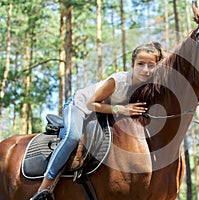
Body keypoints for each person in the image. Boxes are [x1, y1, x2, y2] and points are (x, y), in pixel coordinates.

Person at [30, 42, 166, 199]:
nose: (145, 70)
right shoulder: (118, 81)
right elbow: (91, 103)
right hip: (80, 106)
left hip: (101, 114)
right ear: (132, 65)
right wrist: (121, 109)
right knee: (72, 137)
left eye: (151, 65)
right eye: (140, 64)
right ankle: (43, 189)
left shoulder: (146, 86)